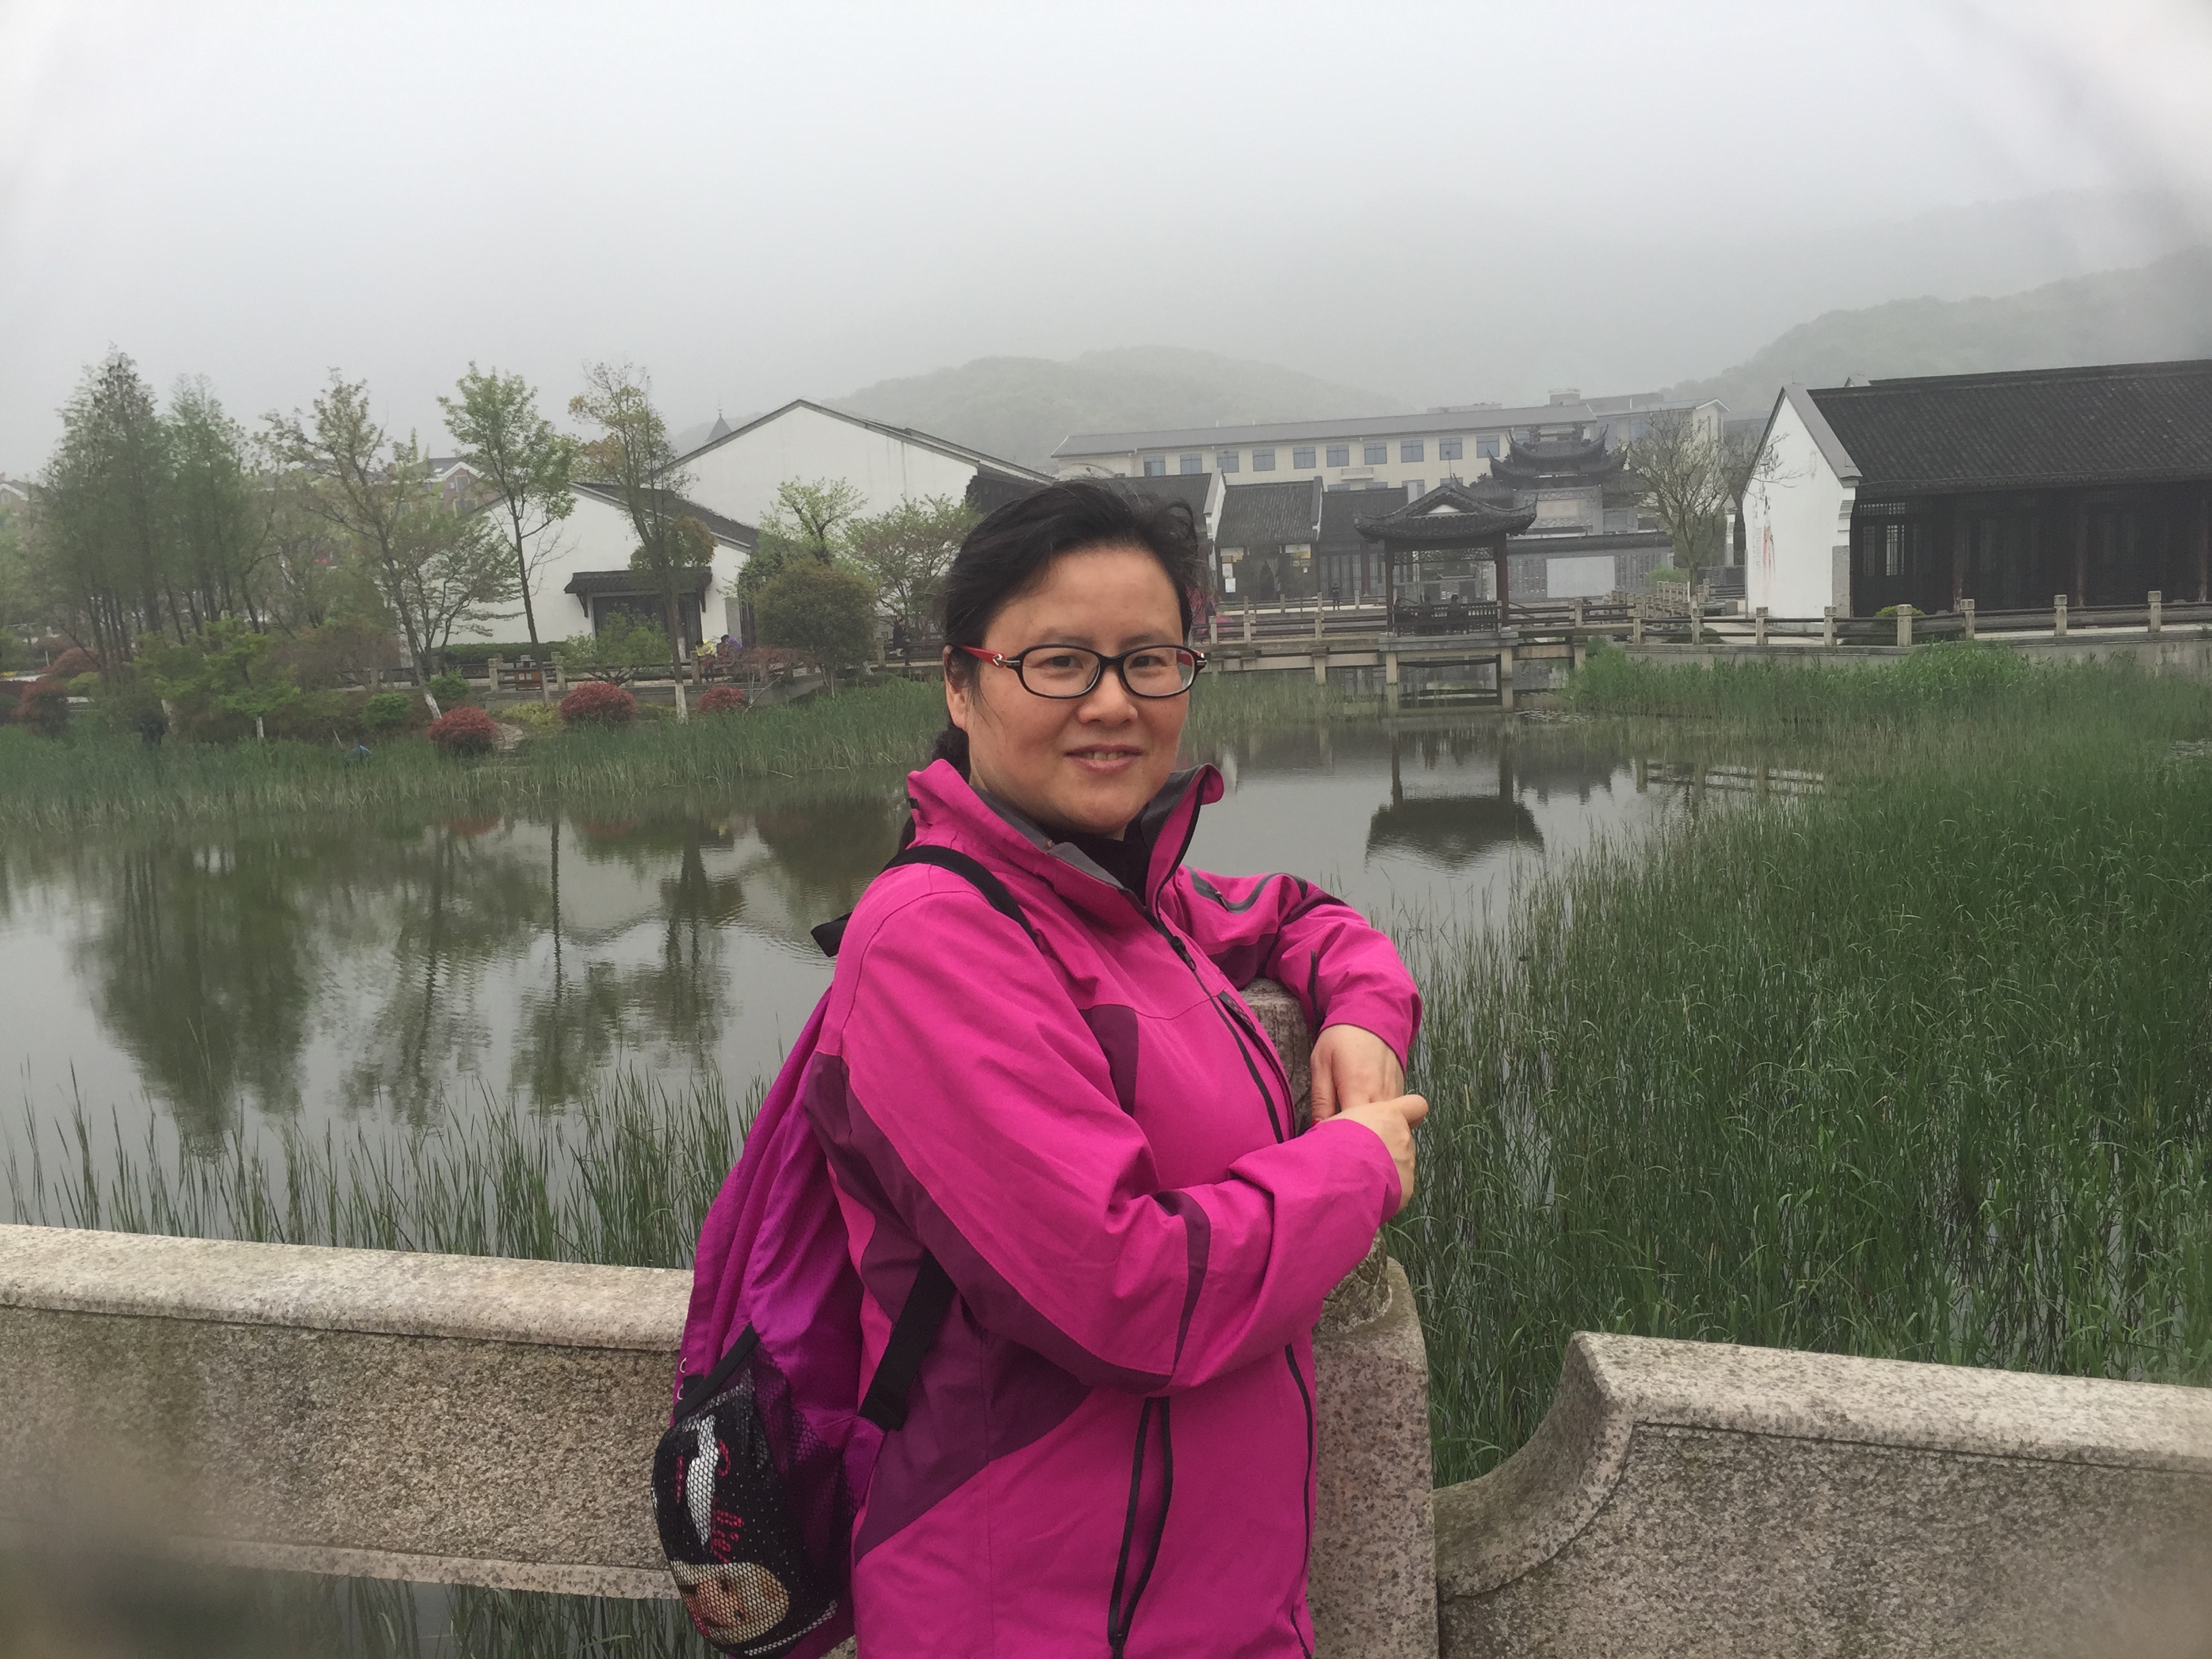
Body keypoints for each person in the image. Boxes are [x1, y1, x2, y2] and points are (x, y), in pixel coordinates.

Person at [810, 478, 1427, 1658]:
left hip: (1228, 1610)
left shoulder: (1129, 896)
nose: (1112, 702)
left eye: (1149, 661)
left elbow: (1305, 916)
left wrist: (1362, 1018)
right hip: (1035, 1620)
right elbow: (1125, 1297)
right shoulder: (934, 944)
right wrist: (1356, 1164)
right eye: (1059, 663)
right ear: (960, 684)